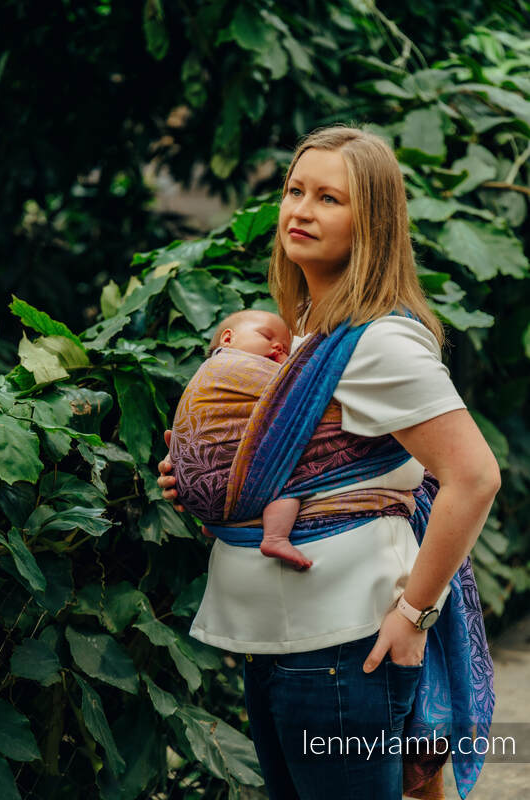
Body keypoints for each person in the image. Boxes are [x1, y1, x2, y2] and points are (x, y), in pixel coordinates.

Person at [157, 125, 500, 800]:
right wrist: (208, 480)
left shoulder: (378, 341)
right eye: (295, 191)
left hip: (341, 650)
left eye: (329, 199)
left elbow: (473, 477)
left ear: (371, 222)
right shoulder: (306, 331)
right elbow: (297, 469)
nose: (301, 210)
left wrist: (414, 616)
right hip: (286, 645)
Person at [170, 307, 313, 570]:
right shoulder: (235, 365)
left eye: (285, 349)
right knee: (290, 475)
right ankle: (275, 536)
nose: (278, 346)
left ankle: (217, 523)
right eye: (266, 336)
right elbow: (299, 390)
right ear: (228, 339)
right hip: (223, 482)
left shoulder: (205, 374)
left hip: (189, 483)